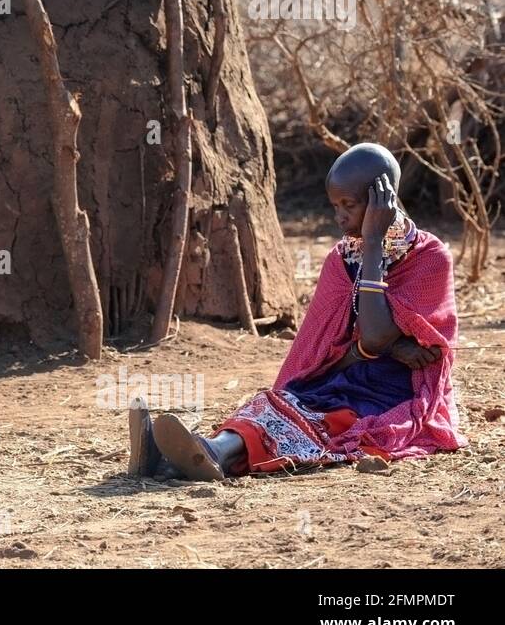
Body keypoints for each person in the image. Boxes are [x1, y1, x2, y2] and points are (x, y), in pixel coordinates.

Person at [129, 142, 466, 480]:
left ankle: (192, 456)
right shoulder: (343, 258)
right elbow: (343, 343)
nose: (340, 217)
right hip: (339, 377)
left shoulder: (430, 258)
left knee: (314, 423)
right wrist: (392, 345)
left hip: (391, 397)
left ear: (383, 199)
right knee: (271, 404)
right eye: (335, 206)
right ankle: (190, 454)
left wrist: (375, 242)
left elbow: (376, 336)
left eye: (349, 205)